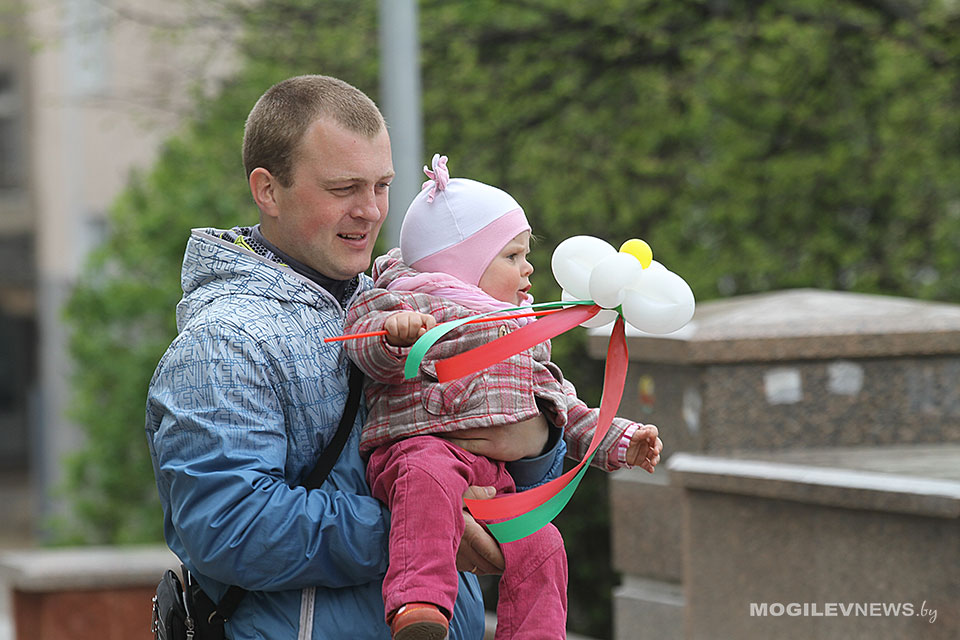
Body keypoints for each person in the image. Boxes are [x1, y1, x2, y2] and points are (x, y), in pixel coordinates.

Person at [145, 75, 566, 640]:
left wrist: (538, 438)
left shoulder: (411, 299)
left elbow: (508, 476)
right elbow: (225, 527)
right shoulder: (224, 341)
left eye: (382, 185)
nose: (370, 211)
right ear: (268, 190)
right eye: (343, 188)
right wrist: (420, 527)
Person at [343, 154, 664, 640]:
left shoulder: (524, 331)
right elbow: (365, 346)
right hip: (418, 450)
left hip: (493, 480)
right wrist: (393, 335)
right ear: (461, 261)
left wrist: (621, 440)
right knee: (426, 482)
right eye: (511, 256)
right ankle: (419, 605)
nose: (528, 267)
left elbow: (559, 405)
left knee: (544, 544)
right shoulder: (405, 299)